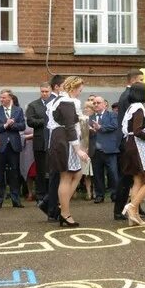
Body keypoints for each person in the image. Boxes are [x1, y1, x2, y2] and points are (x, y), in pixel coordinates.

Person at [47, 76, 89, 227]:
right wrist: (78, 149)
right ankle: (65, 213)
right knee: (66, 176)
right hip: (63, 139)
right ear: (72, 89)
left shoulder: (61, 100)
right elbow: (70, 127)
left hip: (63, 138)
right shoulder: (66, 101)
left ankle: (62, 206)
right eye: (79, 90)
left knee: (76, 173)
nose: (79, 93)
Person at [120, 82, 145, 226]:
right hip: (137, 146)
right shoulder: (138, 108)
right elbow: (137, 131)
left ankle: (134, 216)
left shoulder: (132, 107)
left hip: (130, 144)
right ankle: (132, 207)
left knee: (138, 180)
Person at [113, 70, 145, 221]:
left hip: (128, 141)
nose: (143, 82)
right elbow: (131, 123)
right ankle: (119, 210)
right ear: (133, 80)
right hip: (129, 141)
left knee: (135, 177)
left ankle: (136, 205)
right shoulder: (128, 97)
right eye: (141, 79)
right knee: (126, 178)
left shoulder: (127, 95)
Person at [37, 75, 66, 222]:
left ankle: (49, 204)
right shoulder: (53, 101)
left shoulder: (53, 100)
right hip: (55, 143)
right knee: (56, 177)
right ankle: (51, 207)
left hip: (53, 142)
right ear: (57, 87)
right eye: (64, 85)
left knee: (57, 176)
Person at [0, 89, 26, 208]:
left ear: (10, 98)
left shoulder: (18, 110)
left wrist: (12, 125)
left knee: (14, 173)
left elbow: (22, 126)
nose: (1, 99)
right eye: (0, 97)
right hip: (0, 145)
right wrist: (5, 125)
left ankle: (15, 199)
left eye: (3, 97)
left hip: (13, 145)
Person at [89, 95, 120, 204]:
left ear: (104, 104)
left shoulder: (112, 115)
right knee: (97, 174)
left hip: (109, 149)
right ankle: (99, 195)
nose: (96, 105)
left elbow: (114, 126)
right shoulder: (90, 117)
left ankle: (115, 194)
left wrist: (100, 128)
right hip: (95, 151)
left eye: (98, 103)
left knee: (113, 173)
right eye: (94, 103)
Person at [26, 82, 52, 202]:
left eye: (46, 91)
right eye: (42, 91)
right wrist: (45, 121)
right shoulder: (33, 105)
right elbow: (30, 121)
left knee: (52, 169)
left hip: (53, 141)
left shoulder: (55, 103)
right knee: (41, 170)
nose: (44, 93)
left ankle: (51, 193)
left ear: (50, 91)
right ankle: (40, 195)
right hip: (40, 141)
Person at [80, 101, 95, 200]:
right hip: (83, 146)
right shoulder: (81, 119)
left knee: (95, 172)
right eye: (85, 107)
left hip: (94, 146)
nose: (86, 109)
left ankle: (95, 191)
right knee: (86, 172)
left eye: (88, 107)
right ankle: (88, 192)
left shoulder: (95, 119)